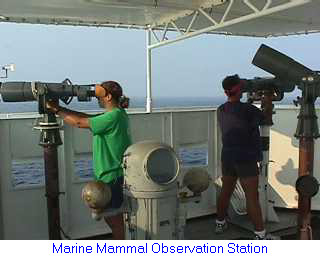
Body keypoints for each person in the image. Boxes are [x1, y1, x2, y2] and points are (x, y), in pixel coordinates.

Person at [46, 80, 132, 240]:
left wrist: (56, 109)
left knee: (115, 222)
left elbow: (79, 123)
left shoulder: (112, 117)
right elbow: (87, 118)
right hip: (116, 175)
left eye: (98, 95)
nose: (96, 98)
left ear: (107, 96)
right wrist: (63, 109)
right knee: (114, 220)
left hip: (111, 177)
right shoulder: (118, 114)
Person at [215, 74, 274, 240]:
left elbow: (240, 116)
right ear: (239, 89)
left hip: (228, 157)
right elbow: (266, 118)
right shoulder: (248, 110)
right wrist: (267, 100)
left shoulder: (221, 109)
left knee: (226, 191)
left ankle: (220, 222)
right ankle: (260, 234)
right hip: (246, 158)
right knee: (252, 197)